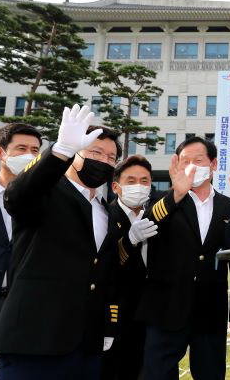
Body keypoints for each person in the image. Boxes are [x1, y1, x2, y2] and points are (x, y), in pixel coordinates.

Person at [0, 105, 123, 379]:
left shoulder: (105, 210)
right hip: (34, 341)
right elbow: (17, 196)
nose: (104, 161)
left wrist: (107, 327)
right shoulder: (47, 192)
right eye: (95, 152)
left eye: (111, 157)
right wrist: (60, 150)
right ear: (76, 152)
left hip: (86, 347)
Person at [136, 136, 230, 380]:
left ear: (214, 164)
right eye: (185, 161)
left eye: (199, 160)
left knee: (210, 373)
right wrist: (176, 194)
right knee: (156, 373)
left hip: (210, 309)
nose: (192, 166)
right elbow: (149, 224)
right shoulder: (160, 200)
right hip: (165, 307)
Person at [101, 155, 157, 380]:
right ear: (116, 187)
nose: (139, 187)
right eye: (131, 181)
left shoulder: (156, 217)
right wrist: (128, 241)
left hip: (151, 315)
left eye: (145, 181)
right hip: (116, 315)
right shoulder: (105, 216)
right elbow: (106, 266)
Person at [0, 123, 42, 323]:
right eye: (22, 149)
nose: (29, 156)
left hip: (25, 306)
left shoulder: (47, 199)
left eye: (35, 151)